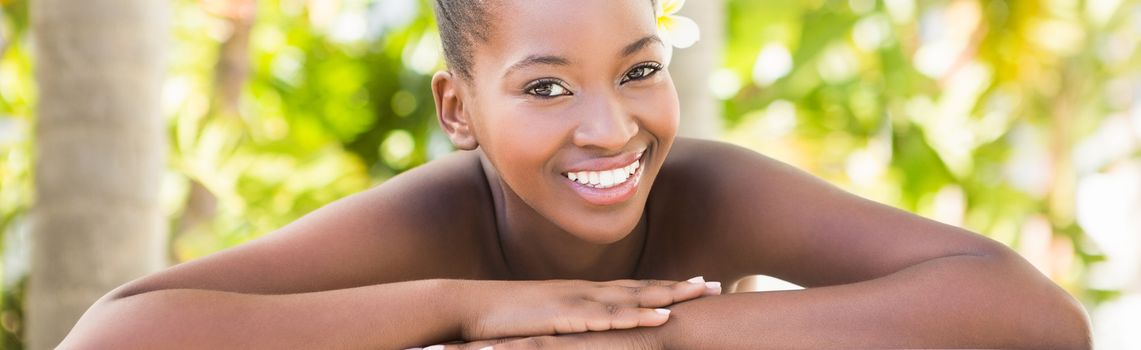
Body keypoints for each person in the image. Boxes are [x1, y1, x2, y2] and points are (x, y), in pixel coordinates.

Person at [60, 0, 1091, 348]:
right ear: (457, 108)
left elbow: (1034, 316)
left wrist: (655, 328)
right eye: (546, 88)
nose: (610, 127)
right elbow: (112, 335)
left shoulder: (706, 189)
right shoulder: (434, 223)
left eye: (640, 71)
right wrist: (458, 309)